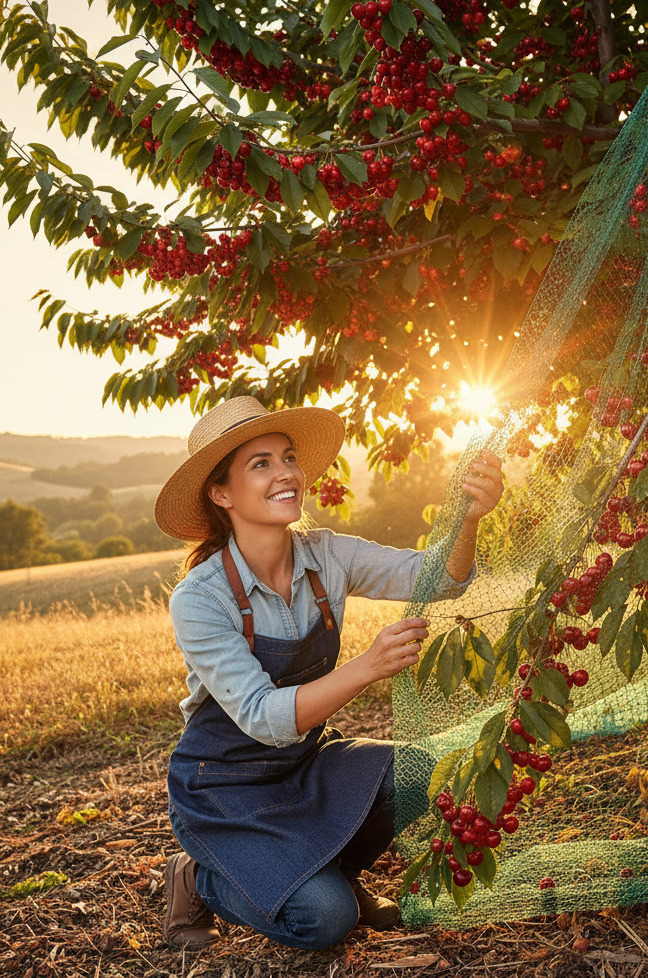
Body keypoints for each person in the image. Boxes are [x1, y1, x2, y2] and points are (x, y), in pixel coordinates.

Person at [153, 395, 503, 951]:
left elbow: (436, 579)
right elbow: (264, 717)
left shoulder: (328, 555)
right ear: (221, 494)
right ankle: (199, 877)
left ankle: (331, 868)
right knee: (326, 921)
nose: (285, 472)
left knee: (418, 773)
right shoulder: (200, 598)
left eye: (287, 457)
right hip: (226, 789)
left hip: (302, 763)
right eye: (260, 464)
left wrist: (469, 521)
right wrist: (369, 666)